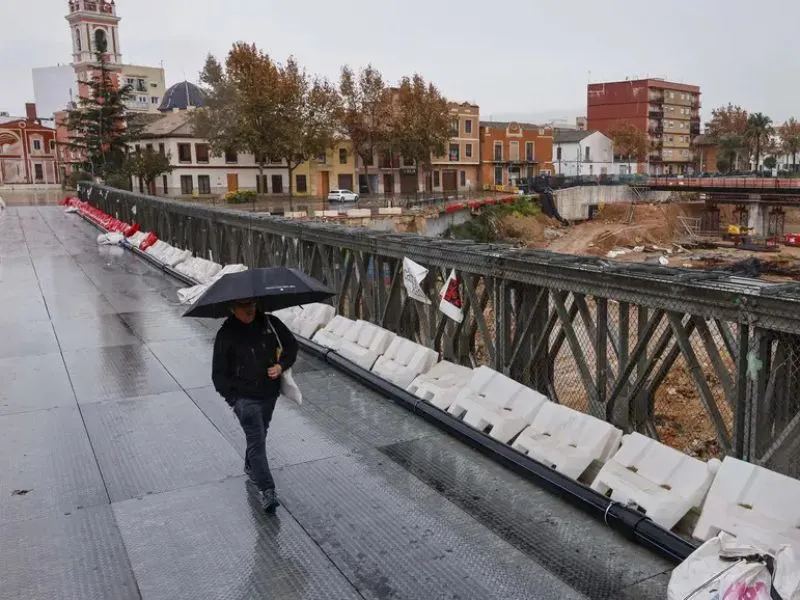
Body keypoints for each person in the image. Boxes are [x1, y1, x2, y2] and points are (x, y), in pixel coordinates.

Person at [211, 298, 298, 512]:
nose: (249, 309)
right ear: (233, 309)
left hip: (269, 393)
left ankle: (250, 465)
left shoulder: (270, 324)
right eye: (243, 306)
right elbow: (218, 375)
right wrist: (234, 400)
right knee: (257, 441)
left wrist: (280, 365)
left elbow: (291, 346)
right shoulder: (226, 334)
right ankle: (267, 490)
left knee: (261, 433)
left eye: (252, 304)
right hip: (244, 399)